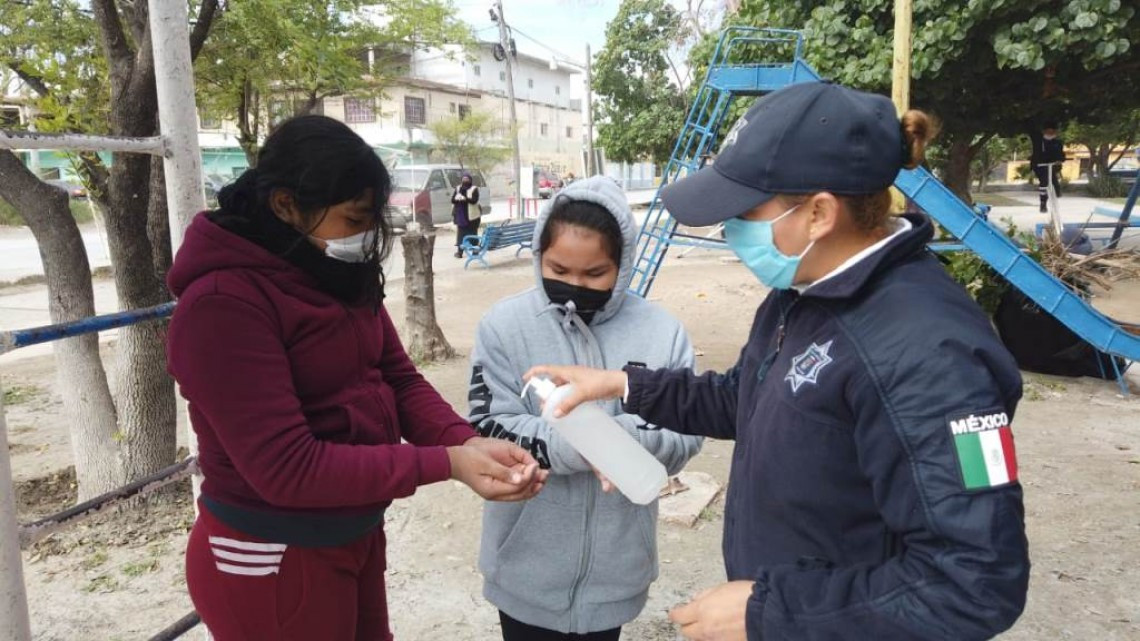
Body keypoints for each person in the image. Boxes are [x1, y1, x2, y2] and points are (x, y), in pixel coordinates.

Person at [526, 83, 1030, 641]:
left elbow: (976, 583)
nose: (729, 228)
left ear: (818, 213)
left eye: (746, 210)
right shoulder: (804, 293)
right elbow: (746, 396)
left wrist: (769, 613)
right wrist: (623, 385)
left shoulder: (929, 352)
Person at [166, 115, 546, 641]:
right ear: (285, 205)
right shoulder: (221, 307)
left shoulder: (330, 270)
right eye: (353, 218)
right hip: (271, 553)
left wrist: (465, 441)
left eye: (371, 218)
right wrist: (445, 462)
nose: (365, 235)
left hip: (350, 532)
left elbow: (397, 376)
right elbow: (287, 468)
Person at [468, 176, 703, 640]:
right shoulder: (503, 326)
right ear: (539, 255)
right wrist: (584, 445)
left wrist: (616, 443)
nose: (574, 286)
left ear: (623, 264)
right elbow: (490, 426)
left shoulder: (662, 332)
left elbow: (686, 433)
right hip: (524, 569)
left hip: (615, 573)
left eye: (595, 274)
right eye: (558, 269)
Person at [1030, 121, 1066, 213]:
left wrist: (1060, 160)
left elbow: (1061, 155)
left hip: (1053, 166)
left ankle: (1056, 191)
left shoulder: (1057, 142)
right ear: (1044, 132)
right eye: (1048, 132)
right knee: (1044, 181)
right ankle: (1043, 202)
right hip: (1040, 165)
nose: (1051, 133)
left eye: (1052, 132)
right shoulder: (1039, 142)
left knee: (1053, 180)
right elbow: (1037, 155)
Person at [452, 171, 481, 258]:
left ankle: (475, 251)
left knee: (473, 234)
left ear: (470, 180)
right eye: (464, 179)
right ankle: (459, 252)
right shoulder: (458, 188)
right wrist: (457, 199)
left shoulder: (474, 189)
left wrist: (465, 199)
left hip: (472, 217)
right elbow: (452, 200)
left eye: (467, 179)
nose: (465, 180)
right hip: (461, 216)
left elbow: (474, 201)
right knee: (461, 235)